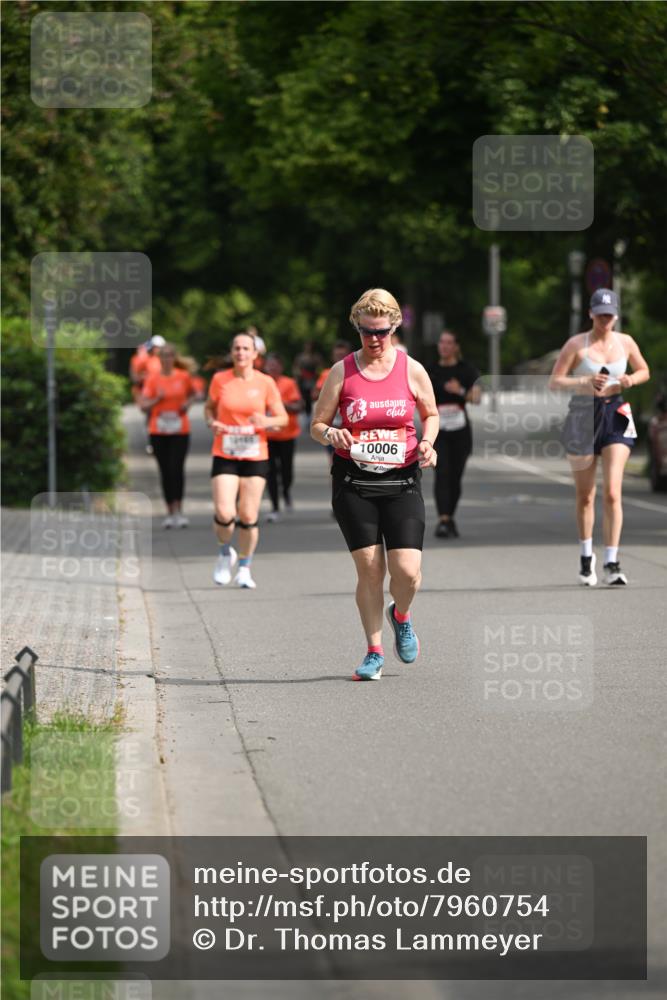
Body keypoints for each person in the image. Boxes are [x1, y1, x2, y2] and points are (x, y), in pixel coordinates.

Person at [311, 288, 439, 681]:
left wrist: (429, 443)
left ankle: (401, 614)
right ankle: (374, 651)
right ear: (357, 328)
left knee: (408, 572)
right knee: (370, 569)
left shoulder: (411, 369)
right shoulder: (342, 371)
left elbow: (430, 414)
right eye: (366, 332)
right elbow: (316, 424)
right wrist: (331, 434)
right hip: (353, 481)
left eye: (381, 331)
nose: (374, 340)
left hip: (402, 480)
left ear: (395, 327)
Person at [549, 288, 650, 586]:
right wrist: (585, 380)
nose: (605, 320)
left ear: (616, 316)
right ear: (591, 314)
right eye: (600, 314)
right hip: (582, 413)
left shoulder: (626, 342)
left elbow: (645, 369)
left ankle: (612, 562)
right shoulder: (576, 345)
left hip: (616, 413)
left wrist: (631, 378)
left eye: (610, 315)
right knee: (586, 495)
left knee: (613, 493)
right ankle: (586, 558)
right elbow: (555, 381)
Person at [205, 332, 288, 589]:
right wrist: (212, 422)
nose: (241, 353)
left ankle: (244, 568)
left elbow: (282, 418)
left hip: (255, 454)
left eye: (245, 349)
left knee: (248, 514)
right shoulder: (220, 379)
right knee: (224, 512)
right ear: (231, 353)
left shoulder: (265, 383)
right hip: (225, 452)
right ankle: (223, 553)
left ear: (255, 354)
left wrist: (267, 421)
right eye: (236, 348)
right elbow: (209, 408)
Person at [427, 330, 481, 538]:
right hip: (438, 431)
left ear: (456, 346)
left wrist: (460, 391)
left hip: (460, 432)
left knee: (455, 477)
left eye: (449, 343)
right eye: (442, 342)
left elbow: (476, 398)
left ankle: (450, 516)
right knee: (442, 474)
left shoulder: (466, 370)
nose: (445, 346)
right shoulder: (430, 371)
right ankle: (444, 520)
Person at [141, 343, 197, 528]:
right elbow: (143, 405)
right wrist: (157, 398)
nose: (166, 359)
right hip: (159, 430)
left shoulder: (183, 376)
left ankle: (179, 510)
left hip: (180, 430)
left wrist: (186, 404)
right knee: (164, 470)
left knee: (176, 468)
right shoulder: (153, 379)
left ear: (174, 358)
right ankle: (169, 511)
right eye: (163, 356)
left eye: (169, 355)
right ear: (159, 359)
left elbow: (193, 394)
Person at [264, 353, 303, 521]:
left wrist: (282, 405)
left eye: (275, 365)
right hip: (266, 435)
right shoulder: (260, 383)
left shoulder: (289, 383)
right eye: (269, 365)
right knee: (270, 472)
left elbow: (298, 405)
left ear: (281, 367)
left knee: (287, 471)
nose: (272, 368)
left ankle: (286, 491)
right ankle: (274, 506)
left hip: (287, 434)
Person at [294, 340, 324, 416]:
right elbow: (296, 369)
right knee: (303, 396)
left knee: (314, 397)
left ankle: (313, 412)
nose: (308, 347)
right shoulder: (300, 357)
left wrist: (317, 373)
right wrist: (298, 375)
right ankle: (304, 411)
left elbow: (320, 369)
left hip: (313, 380)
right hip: (302, 380)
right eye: (307, 345)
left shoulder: (316, 357)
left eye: (310, 345)